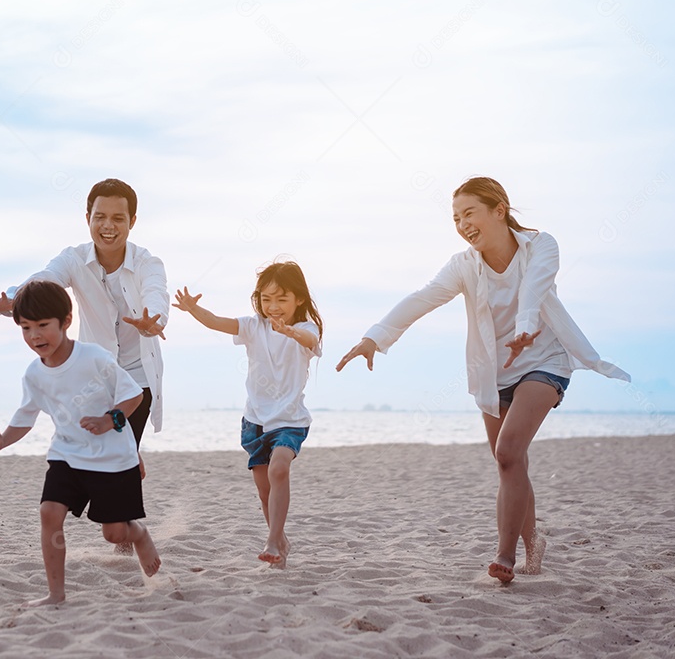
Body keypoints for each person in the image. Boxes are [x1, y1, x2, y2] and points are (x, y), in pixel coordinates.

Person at [336, 176, 630, 584]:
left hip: (543, 360)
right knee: (511, 463)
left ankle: (504, 556)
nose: (462, 224)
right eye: (456, 218)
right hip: (493, 372)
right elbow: (421, 299)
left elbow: (533, 290)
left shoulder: (541, 246)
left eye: (469, 213)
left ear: (499, 210)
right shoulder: (463, 266)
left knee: (508, 451)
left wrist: (526, 328)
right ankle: (531, 543)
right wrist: (375, 338)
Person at [0, 280, 161, 606]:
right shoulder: (34, 374)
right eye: (25, 328)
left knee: (114, 534)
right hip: (67, 454)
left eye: (43, 325)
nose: (35, 336)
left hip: (113, 458)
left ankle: (139, 534)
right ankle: (55, 594)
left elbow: (134, 394)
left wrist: (110, 420)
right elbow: (25, 416)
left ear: (65, 321)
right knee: (49, 512)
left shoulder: (94, 358)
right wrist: (1, 441)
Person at [0, 179, 168, 471]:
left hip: (137, 378)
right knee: (100, 450)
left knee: (118, 456)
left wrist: (152, 321)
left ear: (132, 221)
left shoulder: (147, 263)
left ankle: (129, 462)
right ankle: (130, 460)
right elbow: (45, 278)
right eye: (99, 217)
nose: (108, 226)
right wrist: (14, 299)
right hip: (94, 374)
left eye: (118, 218)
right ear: (87, 218)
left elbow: (156, 294)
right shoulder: (73, 259)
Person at [172, 260, 323, 569]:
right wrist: (193, 310)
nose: (273, 306)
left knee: (279, 470)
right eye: (266, 299)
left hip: (289, 420)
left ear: (299, 299)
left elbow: (310, 341)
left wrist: (291, 332)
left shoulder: (306, 329)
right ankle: (279, 542)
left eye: (282, 299)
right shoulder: (254, 326)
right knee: (264, 490)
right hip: (254, 420)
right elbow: (217, 322)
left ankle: (271, 541)